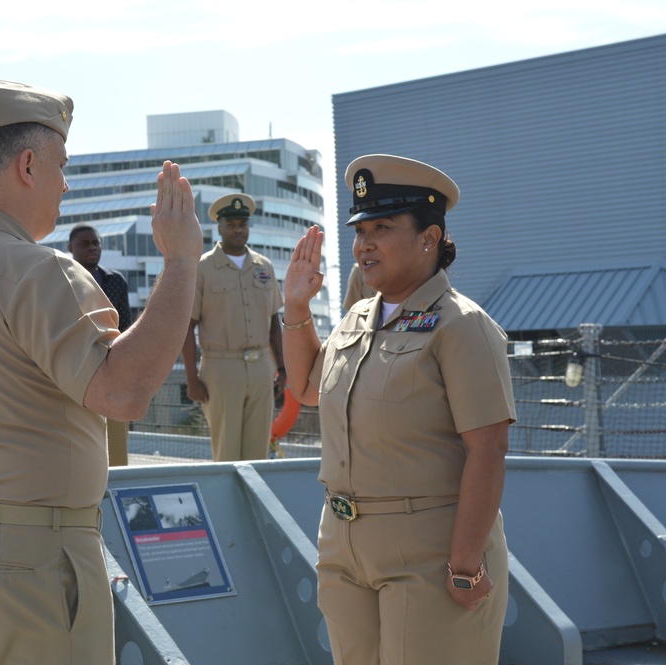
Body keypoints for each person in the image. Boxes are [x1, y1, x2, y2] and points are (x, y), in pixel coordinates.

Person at [0, 74, 202, 665]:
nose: (66, 184)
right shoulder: (41, 271)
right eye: (61, 166)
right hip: (33, 562)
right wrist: (182, 262)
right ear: (28, 165)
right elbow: (125, 391)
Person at [282, 154, 516, 664]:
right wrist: (296, 309)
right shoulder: (356, 319)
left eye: (382, 228)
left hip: (429, 551)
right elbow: (306, 388)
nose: (364, 243)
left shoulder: (461, 326)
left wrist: (464, 563)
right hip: (344, 547)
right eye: (360, 229)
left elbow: (489, 449)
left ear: (429, 237)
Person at [181, 193, 285, 461]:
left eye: (243, 224)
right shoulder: (203, 268)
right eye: (231, 224)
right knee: (227, 453)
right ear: (220, 227)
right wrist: (192, 380)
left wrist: (282, 368)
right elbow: (186, 328)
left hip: (261, 366)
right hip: (221, 369)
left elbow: (274, 321)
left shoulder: (264, 266)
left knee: (258, 453)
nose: (238, 230)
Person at [67, 223, 133, 466]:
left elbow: (125, 326)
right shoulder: (62, 280)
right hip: (76, 369)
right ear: (70, 247)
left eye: (96, 243)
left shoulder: (115, 281)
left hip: (113, 366)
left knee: (116, 441)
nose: (92, 248)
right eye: (85, 244)